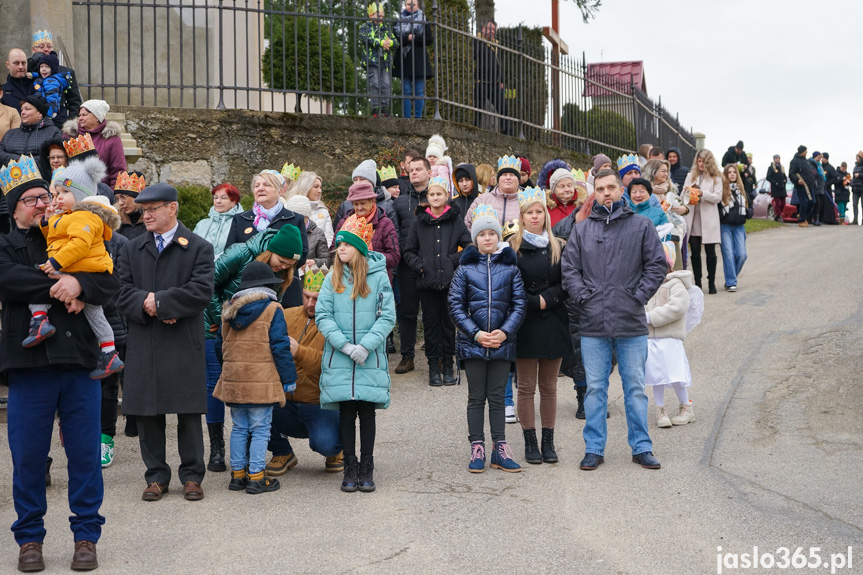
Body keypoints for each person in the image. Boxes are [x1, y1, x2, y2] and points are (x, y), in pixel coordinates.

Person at [0, 156, 118, 572]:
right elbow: (7, 280)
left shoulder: (77, 224)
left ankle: (86, 535)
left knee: (85, 455)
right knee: (28, 457)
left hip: (79, 363)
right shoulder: (5, 241)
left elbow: (109, 281)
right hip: (28, 364)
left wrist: (82, 282)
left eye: (45, 196)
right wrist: (63, 283)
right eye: (33, 198)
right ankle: (29, 539)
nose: (42, 203)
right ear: (15, 207)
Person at [114, 183, 215, 503]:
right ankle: (156, 476)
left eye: (153, 209)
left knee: (188, 412)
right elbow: (119, 291)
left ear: (172, 208)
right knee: (147, 412)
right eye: (143, 210)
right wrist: (150, 304)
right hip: (146, 340)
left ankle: (192, 475)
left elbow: (201, 291)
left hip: (182, 341)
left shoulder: (198, 246)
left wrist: (165, 303)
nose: (146, 215)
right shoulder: (132, 248)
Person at [561, 168, 667, 471]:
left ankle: (642, 447)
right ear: (594, 192)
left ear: (621, 190)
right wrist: (584, 298)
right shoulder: (582, 230)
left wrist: (637, 296)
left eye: (611, 188)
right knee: (595, 388)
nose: (606, 193)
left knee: (634, 388)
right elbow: (569, 270)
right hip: (593, 323)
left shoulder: (641, 225)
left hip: (630, 321)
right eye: (601, 188)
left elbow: (656, 266)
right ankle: (594, 448)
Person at [206, 225, 303, 474]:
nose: (283, 268)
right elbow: (208, 284)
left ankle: (238, 472)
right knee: (258, 424)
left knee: (240, 423)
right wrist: (221, 318)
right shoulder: (240, 252)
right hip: (216, 325)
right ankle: (254, 472)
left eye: (289, 266)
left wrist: (230, 318)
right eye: (281, 261)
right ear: (271, 251)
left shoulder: (280, 277)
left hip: (235, 333)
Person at [25, 154, 124, 379]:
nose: (57, 198)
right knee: (95, 314)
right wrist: (46, 223)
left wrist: (56, 262)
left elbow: (79, 244)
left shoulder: (83, 217)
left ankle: (39, 318)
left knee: (40, 280)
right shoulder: (70, 216)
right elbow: (57, 239)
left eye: (64, 193)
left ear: (79, 195)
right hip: (82, 269)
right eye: (56, 193)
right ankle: (109, 351)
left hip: (82, 267)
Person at [316, 214, 396, 492]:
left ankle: (367, 466)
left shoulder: (379, 279)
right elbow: (323, 315)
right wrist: (345, 346)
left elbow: (387, 316)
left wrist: (365, 346)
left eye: (347, 244)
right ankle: (349, 466)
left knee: (367, 413)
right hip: (340, 358)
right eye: (338, 244)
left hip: (368, 358)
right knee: (346, 413)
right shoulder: (331, 279)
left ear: (360, 248)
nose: (341, 249)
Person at [449, 205, 526, 473]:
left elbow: (519, 305)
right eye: (483, 234)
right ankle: (477, 446)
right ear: (476, 239)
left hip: (502, 343)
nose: (488, 238)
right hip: (473, 344)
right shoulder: (465, 269)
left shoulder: (511, 269)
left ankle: (500, 448)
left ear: (499, 238)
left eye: (493, 233)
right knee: (476, 397)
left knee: (497, 397)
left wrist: (505, 332)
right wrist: (476, 333)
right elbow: (456, 306)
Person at [213, 261, 297, 495]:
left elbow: (220, 347)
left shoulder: (228, 310)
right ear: (268, 286)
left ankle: (238, 475)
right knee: (260, 429)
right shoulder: (272, 309)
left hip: (235, 381)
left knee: (239, 427)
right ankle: (257, 476)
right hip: (262, 381)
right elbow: (280, 346)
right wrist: (288, 378)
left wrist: (230, 371)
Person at [508, 187, 570, 465]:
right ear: (521, 217)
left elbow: (568, 281)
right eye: (529, 213)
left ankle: (548, 440)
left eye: (539, 212)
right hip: (526, 321)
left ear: (545, 215)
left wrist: (549, 299)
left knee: (549, 386)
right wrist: (535, 302)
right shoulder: (512, 247)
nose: (535, 217)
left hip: (554, 320)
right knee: (526, 387)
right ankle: (529, 440)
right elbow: (509, 286)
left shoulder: (559, 245)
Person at [268, 265, 344, 476]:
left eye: (317, 298)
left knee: (326, 443)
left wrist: (298, 351)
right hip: (284, 400)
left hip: (319, 403)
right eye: (306, 296)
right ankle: (282, 452)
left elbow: (334, 365)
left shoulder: (339, 322)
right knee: (250, 410)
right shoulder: (285, 314)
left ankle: (336, 449)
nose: (310, 304)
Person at [404, 175, 471, 386]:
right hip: (427, 282)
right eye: (431, 194)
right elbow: (409, 252)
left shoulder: (455, 221)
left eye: (439, 194)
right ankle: (433, 365)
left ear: (447, 196)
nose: (435, 197)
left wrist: (452, 261)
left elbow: (468, 246)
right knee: (431, 324)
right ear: (427, 197)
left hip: (450, 283)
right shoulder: (418, 222)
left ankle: (448, 364)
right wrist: (421, 266)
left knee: (448, 325)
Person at [224, 169, 308, 306]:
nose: (260, 188)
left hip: (284, 289)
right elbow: (230, 253)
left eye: (267, 185)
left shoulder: (294, 219)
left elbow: (302, 255)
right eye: (257, 186)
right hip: (248, 288)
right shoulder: (241, 219)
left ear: (280, 191)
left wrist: (278, 263)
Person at [645, 243, 698, 428]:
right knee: (656, 375)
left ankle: (686, 407)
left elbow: (678, 308)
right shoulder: (649, 283)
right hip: (652, 339)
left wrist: (651, 317)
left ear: (669, 264)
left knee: (675, 374)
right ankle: (661, 409)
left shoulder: (676, 284)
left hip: (670, 338)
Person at [392, 156, 430, 373]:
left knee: (433, 312)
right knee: (407, 312)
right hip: (407, 265)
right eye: (411, 169)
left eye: (418, 169)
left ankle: (437, 356)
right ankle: (407, 356)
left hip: (432, 265)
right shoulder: (399, 202)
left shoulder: (438, 199)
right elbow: (396, 235)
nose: (413, 172)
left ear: (429, 172)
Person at [332, 180, 400, 280]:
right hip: (348, 279)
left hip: (376, 279)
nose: (359, 208)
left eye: (363, 203)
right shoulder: (344, 223)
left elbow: (394, 256)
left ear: (372, 201)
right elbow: (333, 250)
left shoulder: (385, 223)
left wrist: (366, 258)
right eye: (356, 204)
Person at [681, 149, 722, 292]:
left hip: (709, 218)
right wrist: (689, 191)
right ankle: (697, 282)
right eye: (699, 161)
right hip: (693, 217)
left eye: (704, 161)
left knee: (711, 251)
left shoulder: (716, 177)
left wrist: (702, 193)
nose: (701, 164)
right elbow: (682, 196)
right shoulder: (690, 176)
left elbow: (717, 197)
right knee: (695, 251)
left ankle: (711, 281)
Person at [62, 100, 126, 187]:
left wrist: (112, 196)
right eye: (80, 115)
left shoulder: (112, 139)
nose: (80, 118)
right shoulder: (70, 135)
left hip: (102, 191)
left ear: (97, 117)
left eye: (84, 115)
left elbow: (118, 170)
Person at [28, 29, 82, 128]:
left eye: (49, 46)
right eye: (41, 46)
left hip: (58, 121)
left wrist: (70, 124)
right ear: (34, 49)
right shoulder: (29, 69)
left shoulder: (65, 73)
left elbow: (75, 101)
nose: (46, 49)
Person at [0, 95, 63, 180]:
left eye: (27, 109)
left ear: (40, 113)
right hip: (12, 182)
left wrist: (27, 162)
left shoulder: (53, 132)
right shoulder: (10, 134)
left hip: (42, 181)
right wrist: (17, 159)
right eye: (22, 109)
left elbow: (54, 156)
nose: (22, 112)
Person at [643, 159, 687, 267]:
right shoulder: (643, 190)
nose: (666, 174)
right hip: (652, 234)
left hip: (671, 235)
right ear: (653, 172)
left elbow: (680, 205)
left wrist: (684, 209)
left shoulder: (669, 188)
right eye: (663, 171)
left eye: (667, 171)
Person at [394, 0, 433, 119]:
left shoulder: (423, 19)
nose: (410, 7)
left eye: (413, 5)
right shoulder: (399, 20)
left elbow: (429, 39)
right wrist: (407, 37)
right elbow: (396, 39)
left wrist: (414, 37)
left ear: (418, 6)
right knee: (406, 91)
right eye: (407, 4)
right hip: (404, 59)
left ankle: (418, 118)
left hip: (419, 59)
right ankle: (406, 118)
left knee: (419, 91)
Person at [334, 159, 398, 229]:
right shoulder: (345, 205)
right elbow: (337, 232)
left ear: (372, 182)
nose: (358, 183)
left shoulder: (388, 206)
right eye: (355, 179)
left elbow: (393, 235)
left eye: (362, 179)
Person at [359, 2, 398, 117]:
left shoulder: (386, 29)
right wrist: (381, 42)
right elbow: (367, 39)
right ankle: (375, 109)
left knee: (386, 84)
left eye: (381, 16)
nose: (380, 18)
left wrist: (389, 43)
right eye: (377, 16)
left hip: (384, 61)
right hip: (372, 61)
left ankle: (385, 109)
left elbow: (396, 42)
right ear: (371, 15)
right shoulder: (365, 27)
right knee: (374, 83)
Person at [719, 164, 751, 292]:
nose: (732, 174)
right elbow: (717, 208)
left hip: (739, 226)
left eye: (734, 172)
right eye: (729, 172)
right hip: (725, 225)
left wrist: (749, 212)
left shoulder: (742, 191)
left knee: (742, 255)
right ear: (725, 175)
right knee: (728, 254)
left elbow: (750, 206)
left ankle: (730, 277)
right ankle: (731, 282)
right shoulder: (721, 191)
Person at [192, 183, 244, 260]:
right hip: (199, 269)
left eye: (223, 198)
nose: (218, 201)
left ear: (233, 202)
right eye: (215, 198)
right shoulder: (201, 224)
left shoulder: (241, 224)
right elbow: (191, 248)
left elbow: (238, 253)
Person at [473, 20, 507, 133]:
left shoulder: (495, 45)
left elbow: (499, 64)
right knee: (478, 108)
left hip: (494, 83)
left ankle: (507, 132)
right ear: (483, 29)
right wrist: (474, 77)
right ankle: (475, 130)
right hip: (480, 81)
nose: (491, 32)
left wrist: (501, 80)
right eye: (489, 29)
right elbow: (472, 60)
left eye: (493, 30)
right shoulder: (476, 42)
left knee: (503, 107)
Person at [287, 194, 329, 269]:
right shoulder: (283, 231)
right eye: (293, 219)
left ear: (308, 217)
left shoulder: (318, 233)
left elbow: (327, 260)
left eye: (302, 219)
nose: (297, 223)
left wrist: (314, 262)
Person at [293, 170, 334, 245]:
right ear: (305, 187)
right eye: (315, 187)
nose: (320, 191)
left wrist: (320, 252)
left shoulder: (323, 211)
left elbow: (329, 236)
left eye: (320, 187)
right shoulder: (291, 207)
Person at [114, 170, 148, 240]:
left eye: (123, 197)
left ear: (137, 198)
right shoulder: (114, 221)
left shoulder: (151, 220)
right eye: (117, 198)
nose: (120, 203)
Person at [789, 145, 815, 228]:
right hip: (801, 185)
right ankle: (802, 220)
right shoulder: (794, 161)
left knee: (812, 202)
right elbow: (791, 173)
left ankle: (802, 214)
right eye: (805, 151)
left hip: (810, 185)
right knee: (804, 202)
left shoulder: (807, 161)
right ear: (802, 151)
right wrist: (797, 180)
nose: (807, 152)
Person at [1, 49, 32, 113]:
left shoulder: (37, 85)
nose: (21, 67)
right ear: (7, 64)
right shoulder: (2, 93)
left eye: (23, 63)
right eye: (16, 63)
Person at [766, 155, 788, 222]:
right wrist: (775, 182)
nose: (777, 160)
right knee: (778, 203)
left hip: (782, 188)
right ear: (774, 159)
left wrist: (785, 180)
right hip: (775, 188)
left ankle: (778, 215)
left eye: (778, 158)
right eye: (776, 158)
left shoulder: (782, 168)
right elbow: (768, 177)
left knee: (783, 203)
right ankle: (779, 215)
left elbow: (785, 176)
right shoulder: (771, 168)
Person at [807, 151, 826, 226]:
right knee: (816, 203)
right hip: (815, 186)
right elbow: (815, 174)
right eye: (818, 157)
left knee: (819, 203)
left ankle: (812, 218)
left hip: (820, 186)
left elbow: (822, 176)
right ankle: (815, 219)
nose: (819, 159)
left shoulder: (819, 165)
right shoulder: (811, 164)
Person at [852, 152, 863, 225]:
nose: (856, 158)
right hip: (855, 188)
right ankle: (855, 219)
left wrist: (859, 175)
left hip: (862, 187)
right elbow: (853, 176)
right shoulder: (855, 167)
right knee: (854, 204)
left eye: (857, 157)